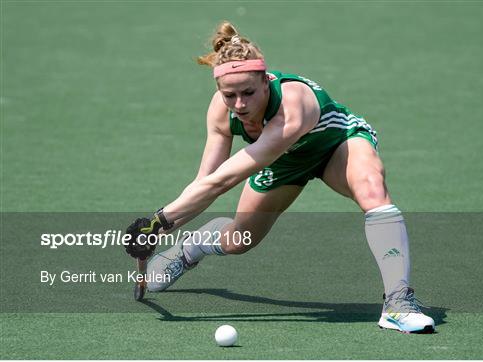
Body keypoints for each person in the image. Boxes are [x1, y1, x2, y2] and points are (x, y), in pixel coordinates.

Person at [124, 21, 435, 333]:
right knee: (238, 240)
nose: (240, 104)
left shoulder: (291, 104)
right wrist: (157, 227)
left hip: (336, 143)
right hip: (284, 163)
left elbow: (223, 181)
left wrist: (159, 222)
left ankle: (398, 303)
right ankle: (190, 249)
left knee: (371, 188)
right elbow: (206, 182)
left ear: (266, 81)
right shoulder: (221, 112)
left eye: (248, 92)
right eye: (229, 95)